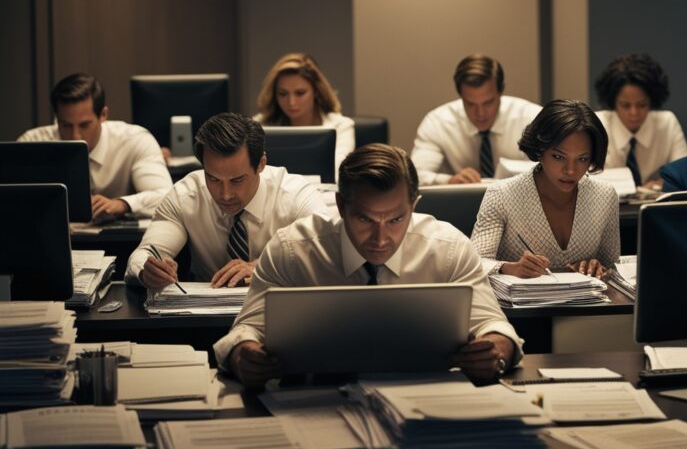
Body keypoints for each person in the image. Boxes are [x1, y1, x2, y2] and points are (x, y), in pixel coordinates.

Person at [215, 143, 522, 387]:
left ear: (414, 205)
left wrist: (495, 353)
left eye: (396, 219)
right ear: (340, 206)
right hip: (314, 400)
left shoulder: (449, 249)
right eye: (365, 219)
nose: (380, 237)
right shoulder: (292, 250)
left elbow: (496, 328)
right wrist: (245, 357)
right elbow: (245, 331)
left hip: (426, 401)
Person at [126, 113, 327, 289]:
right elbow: (145, 253)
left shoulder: (296, 194)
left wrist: (260, 267)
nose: (225, 194)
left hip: (281, 314)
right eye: (213, 179)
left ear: (261, 164)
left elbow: (326, 252)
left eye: (237, 180)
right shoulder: (185, 195)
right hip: (204, 319)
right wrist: (148, 271)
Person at [471, 99, 619, 278]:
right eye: (558, 156)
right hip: (519, 304)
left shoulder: (605, 196)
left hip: (586, 303)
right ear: (540, 150)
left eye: (582, 159)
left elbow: (613, 268)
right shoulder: (502, 195)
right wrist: (510, 268)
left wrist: (597, 267)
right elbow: (476, 263)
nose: (570, 170)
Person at [18, 73, 172, 221]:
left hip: (118, 243)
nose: (75, 136)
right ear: (56, 118)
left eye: (84, 125)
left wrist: (122, 204)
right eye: (65, 125)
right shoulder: (32, 143)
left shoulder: (134, 140)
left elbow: (166, 196)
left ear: (103, 115)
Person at [411, 54, 542, 185]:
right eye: (470, 104)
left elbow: (552, 171)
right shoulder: (437, 123)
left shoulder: (532, 118)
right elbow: (415, 177)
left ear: (501, 90)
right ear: (460, 95)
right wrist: (449, 181)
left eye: (488, 103)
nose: (480, 113)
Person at [254, 52, 356, 180]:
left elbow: (337, 175)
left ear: (316, 92)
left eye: (300, 93)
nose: (291, 102)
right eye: (283, 94)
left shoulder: (341, 126)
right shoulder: (258, 126)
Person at [594, 53, 687, 189]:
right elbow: (586, 181)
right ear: (613, 102)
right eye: (625, 105)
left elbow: (684, 177)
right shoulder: (597, 125)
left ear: (652, 101)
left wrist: (665, 184)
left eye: (642, 105)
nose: (634, 113)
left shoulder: (667, 123)